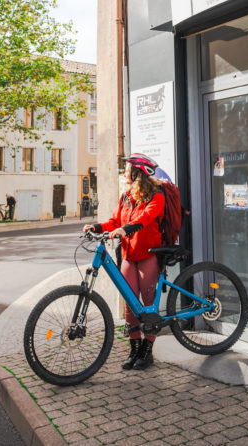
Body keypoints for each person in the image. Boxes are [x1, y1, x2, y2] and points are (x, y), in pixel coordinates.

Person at [83, 153, 166, 371]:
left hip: (148, 255)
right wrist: (98, 227)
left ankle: (147, 352)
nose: (125, 172)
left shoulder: (156, 197)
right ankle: (134, 349)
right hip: (129, 256)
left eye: (128, 169)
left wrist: (125, 229)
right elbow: (114, 220)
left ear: (138, 172)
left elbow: (145, 219)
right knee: (130, 305)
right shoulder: (126, 196)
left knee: (148, 304)